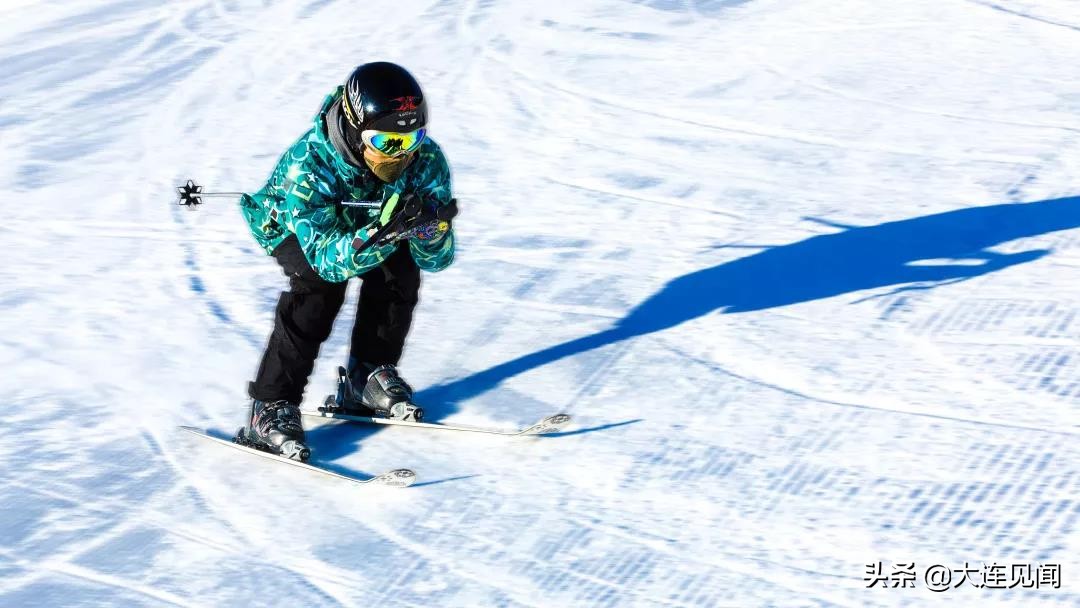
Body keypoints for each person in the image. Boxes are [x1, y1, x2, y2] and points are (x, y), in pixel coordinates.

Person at [237, 62, 456, 461]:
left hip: (368, 225)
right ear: (356, 128)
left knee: (401, 268)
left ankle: (366, 376)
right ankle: (271, 404)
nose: (403, 154)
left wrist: (431, 233)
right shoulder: (311, 163)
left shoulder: (427, 161)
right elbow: (325, 260)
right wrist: (382, 234)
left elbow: (438, 260)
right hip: (292, 225)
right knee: (318, 291)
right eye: (388, 142)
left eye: (412, 138)